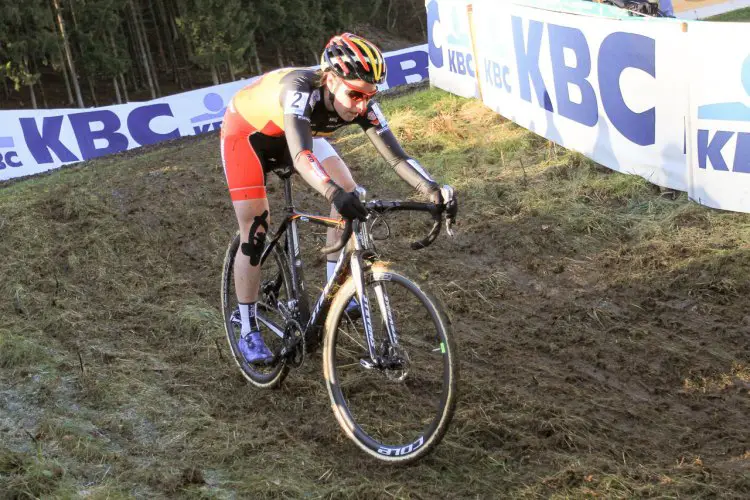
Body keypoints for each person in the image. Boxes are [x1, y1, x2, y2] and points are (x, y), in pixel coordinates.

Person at [220, 33, 457, 364]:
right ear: (330, 79)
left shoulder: (359, 100)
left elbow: (398, 158)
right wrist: (331, 191)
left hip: (298, 135)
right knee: (257, 226)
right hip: (248, 136)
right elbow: (302, 156)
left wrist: (433, 189)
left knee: (352, 192)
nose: (362, 104)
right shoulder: (299, 89)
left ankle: (335, 295)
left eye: (369, 96)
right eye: (355, 95)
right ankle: (246, 327)